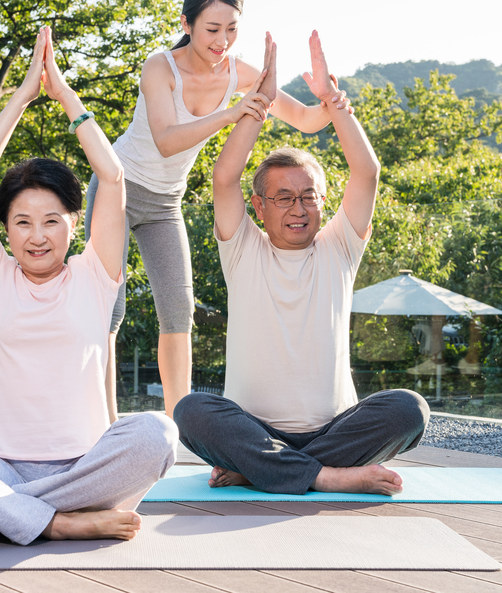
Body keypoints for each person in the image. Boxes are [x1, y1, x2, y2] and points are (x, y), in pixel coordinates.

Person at [0, 27, 178, 546]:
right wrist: (23, 95)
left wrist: (65, 95)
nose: (37, 236)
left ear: (74, 222)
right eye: (22, 222)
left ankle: (1, 517)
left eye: (51, 221)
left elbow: (112, 177)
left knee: (158, 433)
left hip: (84, 473)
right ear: (5, 229)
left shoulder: (96, 275)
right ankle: (56, 523)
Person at [85, 0, 354, 418]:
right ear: (187, 24)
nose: (223, 40)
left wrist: (329, 95)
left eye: (232, 29)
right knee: (107, 310)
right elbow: (167, 139)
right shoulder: (160, 67)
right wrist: (233, 112)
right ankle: (104, 425)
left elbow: (307, 120)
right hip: (117, 187)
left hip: (165, 202)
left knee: (178, 312)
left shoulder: (238, 73)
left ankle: (178, 424)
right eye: (212, 29)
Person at [173, 31, 429, 496]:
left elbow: (367, 172)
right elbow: (223, 176)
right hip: (254, 430)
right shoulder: (243, 248)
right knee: (191, 412)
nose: (297, 208)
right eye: (284, 197)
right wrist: (262, 101)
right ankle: (324, 476)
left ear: (323, 201)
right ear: (259, 206)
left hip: (334, 432)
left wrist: (334, 103)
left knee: (410, 410)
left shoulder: (339, 248)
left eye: (308, 196)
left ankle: (267, 471)